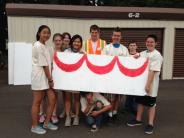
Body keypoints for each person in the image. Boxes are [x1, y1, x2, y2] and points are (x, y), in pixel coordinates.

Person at [127, 34, 163, 135]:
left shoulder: (157, 55)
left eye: (152, 42)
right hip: (141, 84)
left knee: (151, 104)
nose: (149, 43)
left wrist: (147, 85)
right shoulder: (143, 53)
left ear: (156, 43)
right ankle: (138, 120)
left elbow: (152, 71)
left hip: (151, 85)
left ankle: (150, 124)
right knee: (140, 102)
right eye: (148, 41)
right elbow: (134, 58)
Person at [31, 25, 58, 134]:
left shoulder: (46, 46)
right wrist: (51, 80)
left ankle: (46, 123)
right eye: (44, 32)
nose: (46, 35)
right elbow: (45, 65)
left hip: (47, 77)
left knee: (52, 99)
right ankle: (34, 126)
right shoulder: (38, 46)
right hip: (40, 77)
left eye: (48, 33)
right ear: (39, 33)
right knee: (37, 102)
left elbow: (51, 63)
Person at [102, 27, 129, 121]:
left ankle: (115, 113)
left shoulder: (124, 49)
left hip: (120, 78)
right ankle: (109, 113)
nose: (116, 37)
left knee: (118, 97)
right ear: (112, 36)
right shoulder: (106, 48)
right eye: (114, 35)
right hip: (109, 77)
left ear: (121, 37)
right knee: (110, 97)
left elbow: (128, 63)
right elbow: (103, 63)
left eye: (118, 36)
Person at [64, 34, 85, 127]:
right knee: (68, 99)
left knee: (77, 99)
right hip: (68, 79)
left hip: (78, 80)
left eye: (78, 42)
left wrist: (83, 55)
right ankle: (68, 116)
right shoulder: (66, 52)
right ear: (72, 42)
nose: (77, 43)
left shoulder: (83, 52)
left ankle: (77, 116)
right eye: (75, 41)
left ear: (81, 43)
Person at [59, 32, 72, 119]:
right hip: (62, 74)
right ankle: (65, 110)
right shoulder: (59, 49)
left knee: (69, 94)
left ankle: (69, 111)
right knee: (64, 94)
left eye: (68, 38)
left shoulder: (71, 49)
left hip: (70, 75)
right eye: (65, 38)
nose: (66, 39)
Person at [124, 41, 139, 115]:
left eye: (134, 45)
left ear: (136, 47)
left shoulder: (140, 56)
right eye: (131, 45)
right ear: (128, 47)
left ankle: (134, 108)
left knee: (135, 93)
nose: (132, 47)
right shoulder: (126, 56)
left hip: (136, 78)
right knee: (128, 93)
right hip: (128, 77)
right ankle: (127, 107)